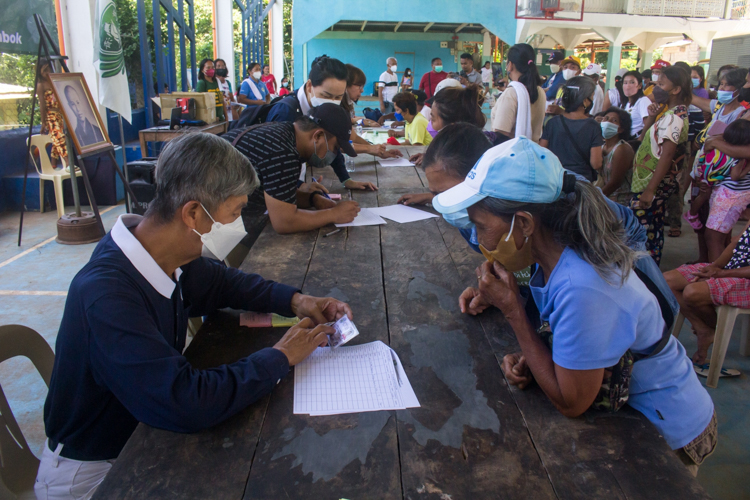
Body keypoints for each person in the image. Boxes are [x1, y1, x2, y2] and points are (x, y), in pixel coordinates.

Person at [35, 132, 353, 498]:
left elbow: (224, 283)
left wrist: (297, 301)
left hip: (143, 434)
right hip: (97, 469)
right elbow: (185, 401)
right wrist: (280, 357)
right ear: (192, 213)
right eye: (234, 213)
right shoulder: (107, 295)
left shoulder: (159, 251)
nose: (238, 222)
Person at [432, 137, 716, 477]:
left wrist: (513, 312)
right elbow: (582, 337)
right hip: (627, 409)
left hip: (665, 426)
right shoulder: (555, 255)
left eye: (482, 227)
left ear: (524, 223)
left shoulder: (582, 284)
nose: (478, 241)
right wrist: (543, 357)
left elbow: (571, 403)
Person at [223, 103, 362, 234]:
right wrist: (333, 214)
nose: (335, 153)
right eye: (335, 147)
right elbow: (284, 222)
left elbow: (280, 195)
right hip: (215, 222)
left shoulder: (285, 133)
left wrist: (313, 199)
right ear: (318, 136)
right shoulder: (284, 152)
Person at [261, 55, 376, 191]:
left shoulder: (324, 111)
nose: (331, 102)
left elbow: (334, 142)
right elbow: (272, 169)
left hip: (296, 181)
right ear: (310, 86)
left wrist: (346, 179)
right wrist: (300, 186)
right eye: (326, 96)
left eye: (338, 97)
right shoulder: (285, 112)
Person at [665, 217, 750, 367]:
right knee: (667, 281)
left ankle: (714, 329)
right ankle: (703, 328)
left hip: (745, 279)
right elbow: (737, 241)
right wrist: (715, 267)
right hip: (731, 268)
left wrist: (722, 274)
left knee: (692, 292)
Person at [631, 66, 692, 266]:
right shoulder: (669, 114)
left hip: (652, 184)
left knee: (644, 232)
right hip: (649, 182)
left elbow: (666, 156)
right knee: (652, 230)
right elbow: (644, 139)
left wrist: (650, 190)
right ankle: (650, 271)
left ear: (676, 90)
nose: (656, 88)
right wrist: (651, 118)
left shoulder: (674, 118)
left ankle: (646, 273)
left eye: (661, 84)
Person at [685, 120, 750, 235]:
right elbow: (736, 175)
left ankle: (692, 214)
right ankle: (692, 214)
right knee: (714, 236)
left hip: (721, 188)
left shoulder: (729, 150)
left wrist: (716, 143)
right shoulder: (739, 158)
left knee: (713, 237)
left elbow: (711, 142)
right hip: (723, 190)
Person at [540, 76, 603, 181]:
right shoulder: (593, 126)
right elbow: (596, 164)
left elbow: (542, 153)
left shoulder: (552, 123)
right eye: (591, 96)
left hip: (555, 180)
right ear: (585, 100)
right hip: (581, 183)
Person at [342, 64, 402, 159]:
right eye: (359, 86)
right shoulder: (335, 107)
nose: (362, 90)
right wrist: (370, 149)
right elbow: (336, 145)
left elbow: (352, 137)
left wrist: (379, 150)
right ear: (345, 84)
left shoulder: (347, 105)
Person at [491, 43, 546, 143]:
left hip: (512, 154)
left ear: (510, 65)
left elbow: (501, 133)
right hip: (532, 150)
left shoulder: (511, 94)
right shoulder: (540, 91)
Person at [599, 107, 635, 205]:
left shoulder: (622, 149)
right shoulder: (602, 147)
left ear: (621, 129)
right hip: (606, 197)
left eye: (614, 120)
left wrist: (595, 198)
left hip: (619, 201)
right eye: (606, 118)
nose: (608, 122)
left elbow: (615, 182)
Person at [37, 59, 67, 164]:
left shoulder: (54, 81)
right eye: (44, 70)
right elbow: (42, 104)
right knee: (59, 137)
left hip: (60, 114)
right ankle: (68, 162)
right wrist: (44, 122)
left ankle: (53, 163)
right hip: (50, 115)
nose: (47, 73)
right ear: (39, 71)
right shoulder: (41, 85)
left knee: (56, 140)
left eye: (48, 69)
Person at [620, 70, 651, 138]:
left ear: (639, 85)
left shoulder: (643, 101)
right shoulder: (625, 104)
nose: (628, 86)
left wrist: (639, 140)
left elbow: (648, 125)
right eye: (625, 83)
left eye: (632, 82)